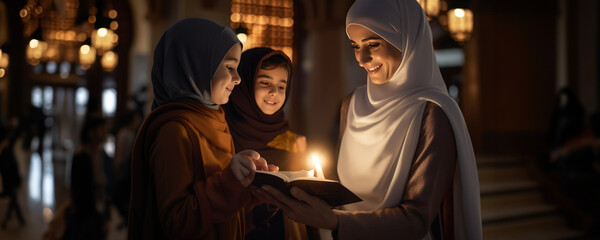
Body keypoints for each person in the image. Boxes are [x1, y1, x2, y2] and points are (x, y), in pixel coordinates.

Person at [258, 0, 482, 239]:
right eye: (355, 46)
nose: (362, 59)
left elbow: (416, 219)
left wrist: (336, 221)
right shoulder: (351, 104)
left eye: (373, 44)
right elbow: (338, 185)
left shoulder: (432, 113)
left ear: (406, 41)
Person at [128, 18, 276, 239]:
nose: (237, 79)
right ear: (196, 65)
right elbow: (178, 222)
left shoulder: (213, 119)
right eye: (229, 67)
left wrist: (250, 190)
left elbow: (218, 211)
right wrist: (230, 183)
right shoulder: (174, 131)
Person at [224, 47, 308, 239]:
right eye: (264, 82)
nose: (273, 92)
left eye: (281, 86)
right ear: (244, 83)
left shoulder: (294, 142)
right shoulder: (224, 133)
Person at [0, 116, 25, 229]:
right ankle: (14, 219)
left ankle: (10, 219)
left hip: (9, 179)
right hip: (9, 179)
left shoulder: (7, 148)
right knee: (12, 196)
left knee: (12, 196)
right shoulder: (6, 149)